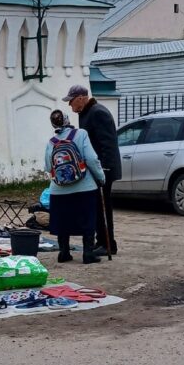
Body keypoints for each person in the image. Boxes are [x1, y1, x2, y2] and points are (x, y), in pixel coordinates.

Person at [64, 84, 122, 256]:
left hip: (103, 170)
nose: (70, 105)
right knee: (96, 207)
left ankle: (108, 243)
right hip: (94, 169)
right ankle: (102, 241)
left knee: (103, 209)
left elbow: (108, 144)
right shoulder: (87, 113)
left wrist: (103, 169)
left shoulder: (97, 113)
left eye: (71, 101)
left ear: (81, 98)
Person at [44, 109, 105, 265]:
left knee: (63, 220)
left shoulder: (51, 142)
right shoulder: (81, 134)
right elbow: (91, 158)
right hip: (84, 187)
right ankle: (88, 254)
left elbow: (47, 166)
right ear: (67, 120)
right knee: (87, 220)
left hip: (58, 190)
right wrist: (101, 177)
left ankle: (64, 253)